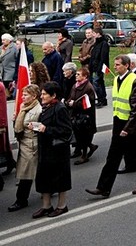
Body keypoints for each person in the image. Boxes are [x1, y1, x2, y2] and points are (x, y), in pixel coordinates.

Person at [86, 55, 136, 198]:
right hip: (119, 121)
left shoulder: (135, 81)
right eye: (115, 64)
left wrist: (127, 129)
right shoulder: (116, 79)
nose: (115, 67)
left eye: (118, 64)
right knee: (113, 156)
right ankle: (103, 188)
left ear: (127, 66)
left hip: (132, 124)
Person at [32, 82, 73, 218]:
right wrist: (36, 126)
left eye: (44, 94)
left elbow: (66, 130)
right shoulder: (46, 107)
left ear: (53, 95)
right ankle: (46, 206)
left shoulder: (60, 108)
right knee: (44, 178)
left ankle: (62, 206)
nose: (41, 96)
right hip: (46, 149)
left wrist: (46, 129)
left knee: (60, 179)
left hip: (57, 151)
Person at [8, 85, 42, 212]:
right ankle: (49, 189)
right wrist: (15, 120)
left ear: (34, 96)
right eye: (22, 94)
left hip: (31, 145)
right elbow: (19, 126)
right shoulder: (24, 107)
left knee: (26, 174)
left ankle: (21, 200)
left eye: (26, 95)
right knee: (34, 171)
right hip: (24, 143)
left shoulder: (38, 110)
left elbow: (43, 127)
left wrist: (34, 126)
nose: (22, 97)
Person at [66, 68, 98, 165]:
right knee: (78, 135)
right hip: (76, 115)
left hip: (85, 117)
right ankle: (91, 147)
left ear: (85, 76)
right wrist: (68, 102)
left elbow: (87, 104)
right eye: (76, 74)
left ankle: (84, 155)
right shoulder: (75, 86)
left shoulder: (88, 88)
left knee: (84, 135)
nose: (76, 76)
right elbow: (71, 97)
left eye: (79, 75)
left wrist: (74, 104)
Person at [89, 28, 109, 107]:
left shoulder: (104, 43)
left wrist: (99, 68)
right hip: (94, 66)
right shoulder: (96, 43)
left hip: (99, 67)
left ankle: (102, 99)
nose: (92, 35)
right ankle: (102, 98)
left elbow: (103, 57)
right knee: (99, 82)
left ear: (98, 34)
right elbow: (93, 56)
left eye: (94, 33)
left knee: (96, 83)